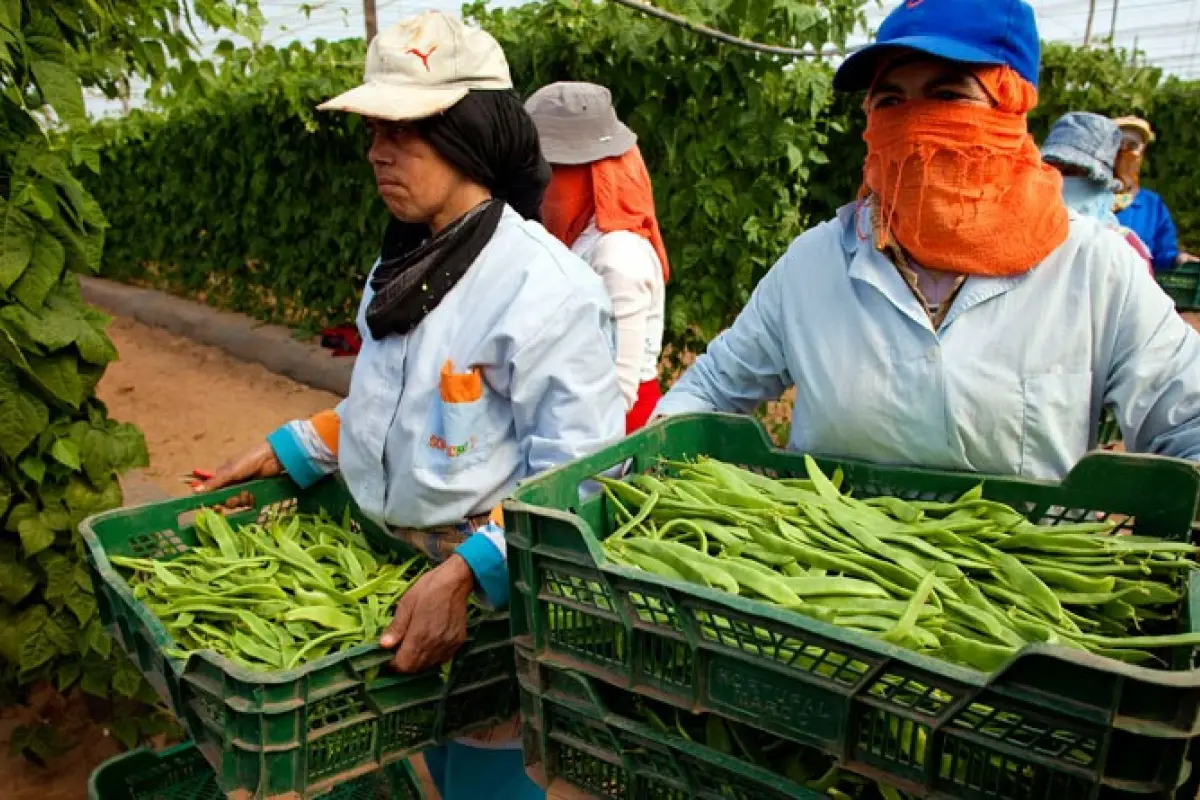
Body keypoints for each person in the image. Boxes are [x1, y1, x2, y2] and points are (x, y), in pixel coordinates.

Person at [196, 12, 624, 799]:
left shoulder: (544, 289)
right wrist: (295, 446)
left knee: (494, 763)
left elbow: (581, 475)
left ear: (467, 134)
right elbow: (390, 404)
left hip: (493, 597)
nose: (376, 153)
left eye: (403, 130)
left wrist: (468, 573)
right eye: (373, 131)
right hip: (394, 570)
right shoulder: (400, 262)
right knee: (438, 753)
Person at [654, 0, 1200, 479]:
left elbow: (1187, 419)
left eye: (948, 95)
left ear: (1011, 108)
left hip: (1024, 588)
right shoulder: (815, 265)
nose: (916, 125)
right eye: (891, 102)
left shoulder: (1092, 268)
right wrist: (645, 456)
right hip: (835, 585)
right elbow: (711, 390)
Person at [525, 82, 669, 432]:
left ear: (586, 175)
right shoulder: (583, 239)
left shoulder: (617, 254)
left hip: (614, 436)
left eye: (550, 172)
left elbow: (619, 390)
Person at [1040, 111, 1151, 268]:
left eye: (1072, 173)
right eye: (1052, 170)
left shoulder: (1124, 251)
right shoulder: (1016, 235)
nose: (1062, 181)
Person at [1112, 115, 1198, 271]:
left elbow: (1164, 254)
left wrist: (1179, 259)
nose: (1124, 152)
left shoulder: (1151, 204)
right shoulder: (1089, 195)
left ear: (1142, 153)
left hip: (1134, 290)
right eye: (1118, 145)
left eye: (1132, 146)